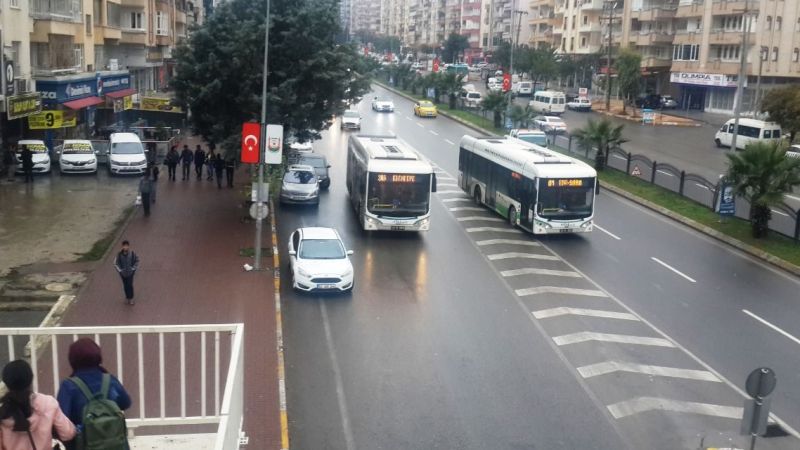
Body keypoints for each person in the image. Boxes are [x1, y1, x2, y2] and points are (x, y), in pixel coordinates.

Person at [57, 339, 131, 450]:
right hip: (117, 446)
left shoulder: (68, 386)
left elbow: (60, 420)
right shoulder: (110, 380)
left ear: (72, 360)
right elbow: (126, 403)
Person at [0, 359, 76, 449]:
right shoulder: (48, 403)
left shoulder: (3, 412)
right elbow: (68, 433)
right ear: (31, 378)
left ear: (6, 383)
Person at [113, 240, 139, 305]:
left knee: (130, 285)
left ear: (128, 246)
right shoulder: (119, 255)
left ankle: (131, 298)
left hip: (130, 273)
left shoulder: (132, 253)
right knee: (125, 285)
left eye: (127, 246)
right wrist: (120, 271)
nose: (126, 247)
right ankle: (127, 297)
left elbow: (137, 260)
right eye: (124, 246)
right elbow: (115, 263)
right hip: (123, 274)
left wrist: (133, 269)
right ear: (122, 247)